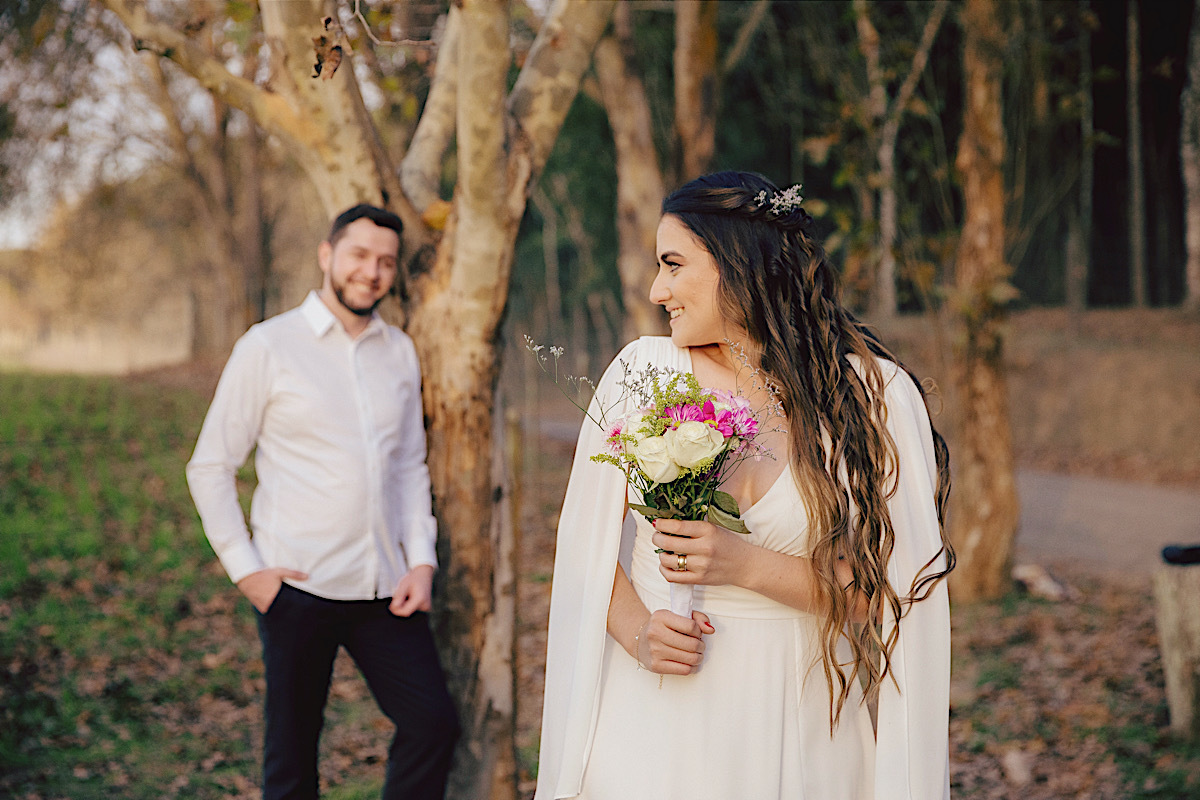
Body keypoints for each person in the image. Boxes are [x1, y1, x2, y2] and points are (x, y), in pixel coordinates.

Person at [535, 172, 954, 800]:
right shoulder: (644, 372)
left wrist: (743, 564)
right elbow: (583, 549)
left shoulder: (872, 397)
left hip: (804, 723)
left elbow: (883, 594)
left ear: (737, 262)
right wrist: (640, 633)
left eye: (673, 264)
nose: (656, 290)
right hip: (654, 724)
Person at [187, 204, 459, 800]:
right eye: (359, 255)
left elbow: (408, 466)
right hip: (296, 588)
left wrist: (421, 560)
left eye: (385, 261)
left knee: (433, 724)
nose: (372, 271)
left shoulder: (399, 351)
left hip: (384, 588)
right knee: (292, 762)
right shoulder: (268, 345)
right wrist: (248, 572)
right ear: (327, 255)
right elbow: (210, 466)